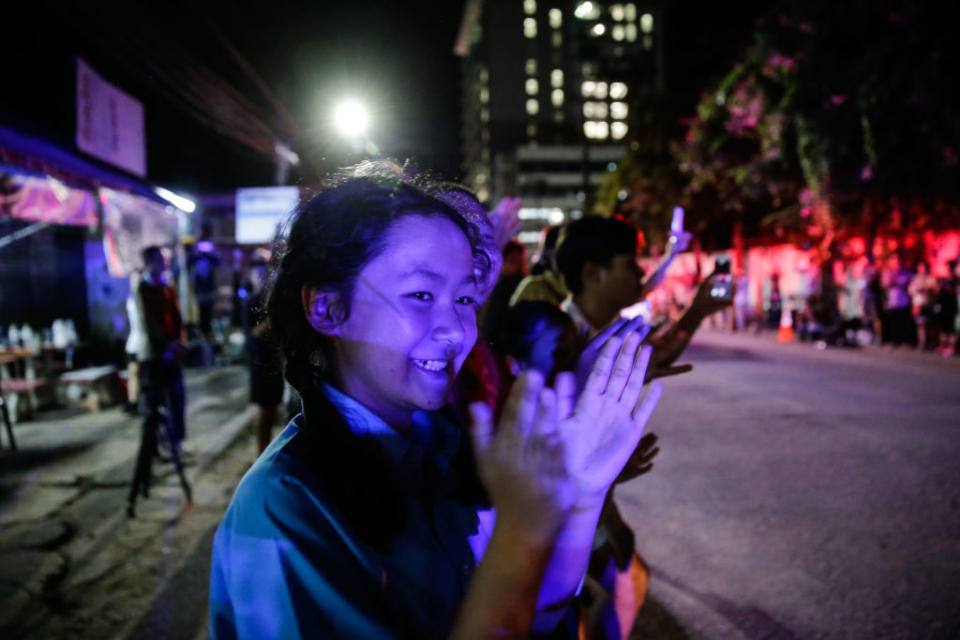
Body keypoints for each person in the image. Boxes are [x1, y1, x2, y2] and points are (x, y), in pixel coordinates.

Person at [209, 170, 662, 639]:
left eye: (464, 297)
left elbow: (538, 613)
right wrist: (521, 531)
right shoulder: (282, 506)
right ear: (327, 307)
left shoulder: (443, 446)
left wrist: (583, 490)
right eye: (421, 295)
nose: (456, 329)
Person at [138, 246, 187, 449]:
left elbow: (176, 317)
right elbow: (147, 323)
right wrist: (167, 343)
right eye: (158, 260)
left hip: (171, 354)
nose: (162, 264)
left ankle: (175, 442)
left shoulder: (167, 287)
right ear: (148, 262)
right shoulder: (142, 289)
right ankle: (151, 449)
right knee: (151, 407)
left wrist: (178, 341)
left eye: (163, 260)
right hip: (152, 355)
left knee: (177, 399)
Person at [243, 249, 285, 453]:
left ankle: (265, 452)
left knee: (272, 410)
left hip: (274, 360)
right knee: (264, 409)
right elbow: (252, 334)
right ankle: (260, 454)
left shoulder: (273, 300)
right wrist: (273, 318)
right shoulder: (251, 302)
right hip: (260, 362)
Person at [480, 239, 528, 339]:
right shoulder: (497, 286)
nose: (516, 265)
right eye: (512, 260)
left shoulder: (505, 286)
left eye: (519, 261)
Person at [124, 269, 147, 415]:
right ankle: (133, 402)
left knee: (141, 375)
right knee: (133, 374)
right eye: (133, 279)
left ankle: (140, 402)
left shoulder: (145, 298)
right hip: (134, 343)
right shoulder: (132, 299)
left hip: (145, 344)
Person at [909, 260, 936, 350]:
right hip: (918, 304)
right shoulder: (915, 278)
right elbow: (910, 290)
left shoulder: (931, 278)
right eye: (920, 267)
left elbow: (934, 289)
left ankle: (931, 344)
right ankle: (922, 343)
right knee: (920, 324)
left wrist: (925, 289)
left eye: (924, 267)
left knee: (929, 325)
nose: (922, 269)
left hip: (928, 304)